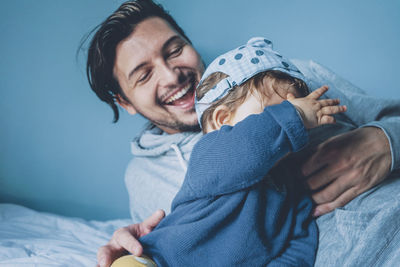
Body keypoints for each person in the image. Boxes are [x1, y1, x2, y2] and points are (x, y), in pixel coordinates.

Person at [84, 1, 400, 266]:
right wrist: (136, 247)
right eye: (144, 74)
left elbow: (299, 236)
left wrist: (386, 141)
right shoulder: (148, 176)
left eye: (174, 49)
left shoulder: (286, 76)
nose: (171, 75)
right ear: (124, 101)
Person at [134, 37, 347, 266]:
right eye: (274, 112)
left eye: (295, 112)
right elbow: (248, 148)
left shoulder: (289, 185)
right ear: (222, 121)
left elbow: (299, 243)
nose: (291, 126)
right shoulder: (210, 155)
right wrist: (295, 116)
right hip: (159, 259)